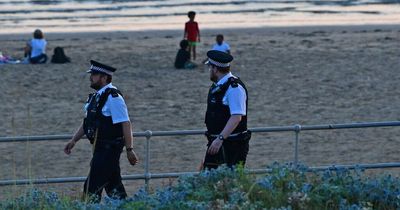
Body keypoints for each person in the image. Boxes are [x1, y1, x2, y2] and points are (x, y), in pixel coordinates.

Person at [64, 60, 139, 202]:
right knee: (114, 188)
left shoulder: (113, 97)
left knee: (91, 189)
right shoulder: (96, 97)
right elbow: (88, 123)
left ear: (104, 78)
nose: (91, 77)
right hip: (100, 149)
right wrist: (74, 140)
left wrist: (130, 149)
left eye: (94, 74)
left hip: (109, 149)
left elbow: (125, 123)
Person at [202, 50, 251, 170]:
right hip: (217, 142)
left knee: (229, 182)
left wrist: (220, 139)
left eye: (210, 68)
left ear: (215, 69)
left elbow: (236, 117)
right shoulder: (219, 85)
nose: (209, 71)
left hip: (232, 145)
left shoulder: (234, 88)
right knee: (208, 180)